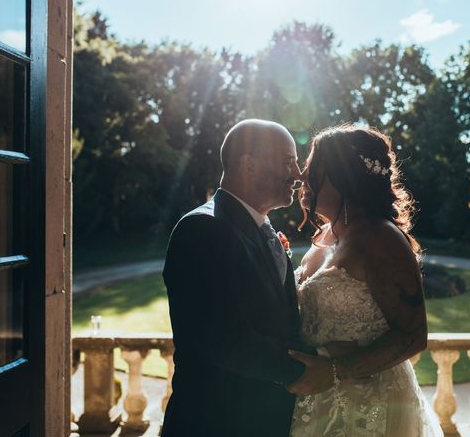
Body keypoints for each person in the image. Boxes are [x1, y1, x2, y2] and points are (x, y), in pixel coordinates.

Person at [161, 119, 333, 437]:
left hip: (262, 420)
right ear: (249, 164)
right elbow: (220, 338)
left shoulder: (260, 229)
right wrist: (305, 370)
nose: (297, 175)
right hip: (215, 422)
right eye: (288, 161)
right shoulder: (202, 229)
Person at [287, 124, 444, 437]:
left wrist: (334, 371)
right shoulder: (327, 235)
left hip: (368, 404)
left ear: (345, 177)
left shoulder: (380, 238)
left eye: (313, 168)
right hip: (317, 402)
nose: (302, 178)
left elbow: (414, 336)